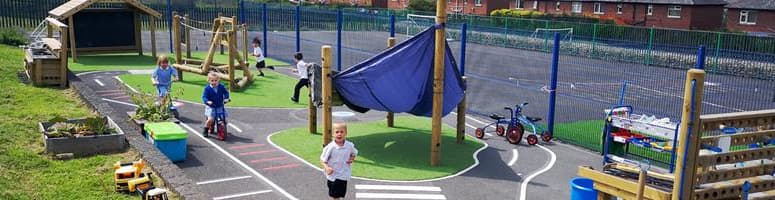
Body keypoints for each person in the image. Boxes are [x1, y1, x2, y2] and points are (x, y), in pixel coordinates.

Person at [320, 123, 357, 200]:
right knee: (335, 196)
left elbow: (354, 153)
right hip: (333, 175)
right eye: (337, 132)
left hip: (344, 175)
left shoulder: (349, 145)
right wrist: (327, 168)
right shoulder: (330, 147)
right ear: (333, 134)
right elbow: (322, 160)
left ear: (346, 133)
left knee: (339, 195)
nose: (339, 134)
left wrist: (351, 158)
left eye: (342, 132)